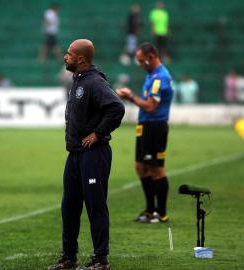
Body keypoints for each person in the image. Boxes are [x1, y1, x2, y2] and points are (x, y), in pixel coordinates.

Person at [48, 39, 125, 270]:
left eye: (69, 54)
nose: (65, 57)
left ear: (81, 58)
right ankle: (69, 258)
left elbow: (117, 108)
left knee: (95, 206)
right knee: (69, 206)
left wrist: (98, 133)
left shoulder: (93, 82)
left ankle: (101, 260)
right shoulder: (78, 80)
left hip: (93, 154)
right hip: (75, 155)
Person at [116, 42, 174, 224]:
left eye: (141, 61)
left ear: (150, 58)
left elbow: (150, 106)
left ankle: (161, 213)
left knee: (156, 168)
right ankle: (150, 210)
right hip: (145, 127)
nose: (140, 64)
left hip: (155, 127)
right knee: (141, 167)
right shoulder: (152, 75)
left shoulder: (159, 78)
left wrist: (131, 97)